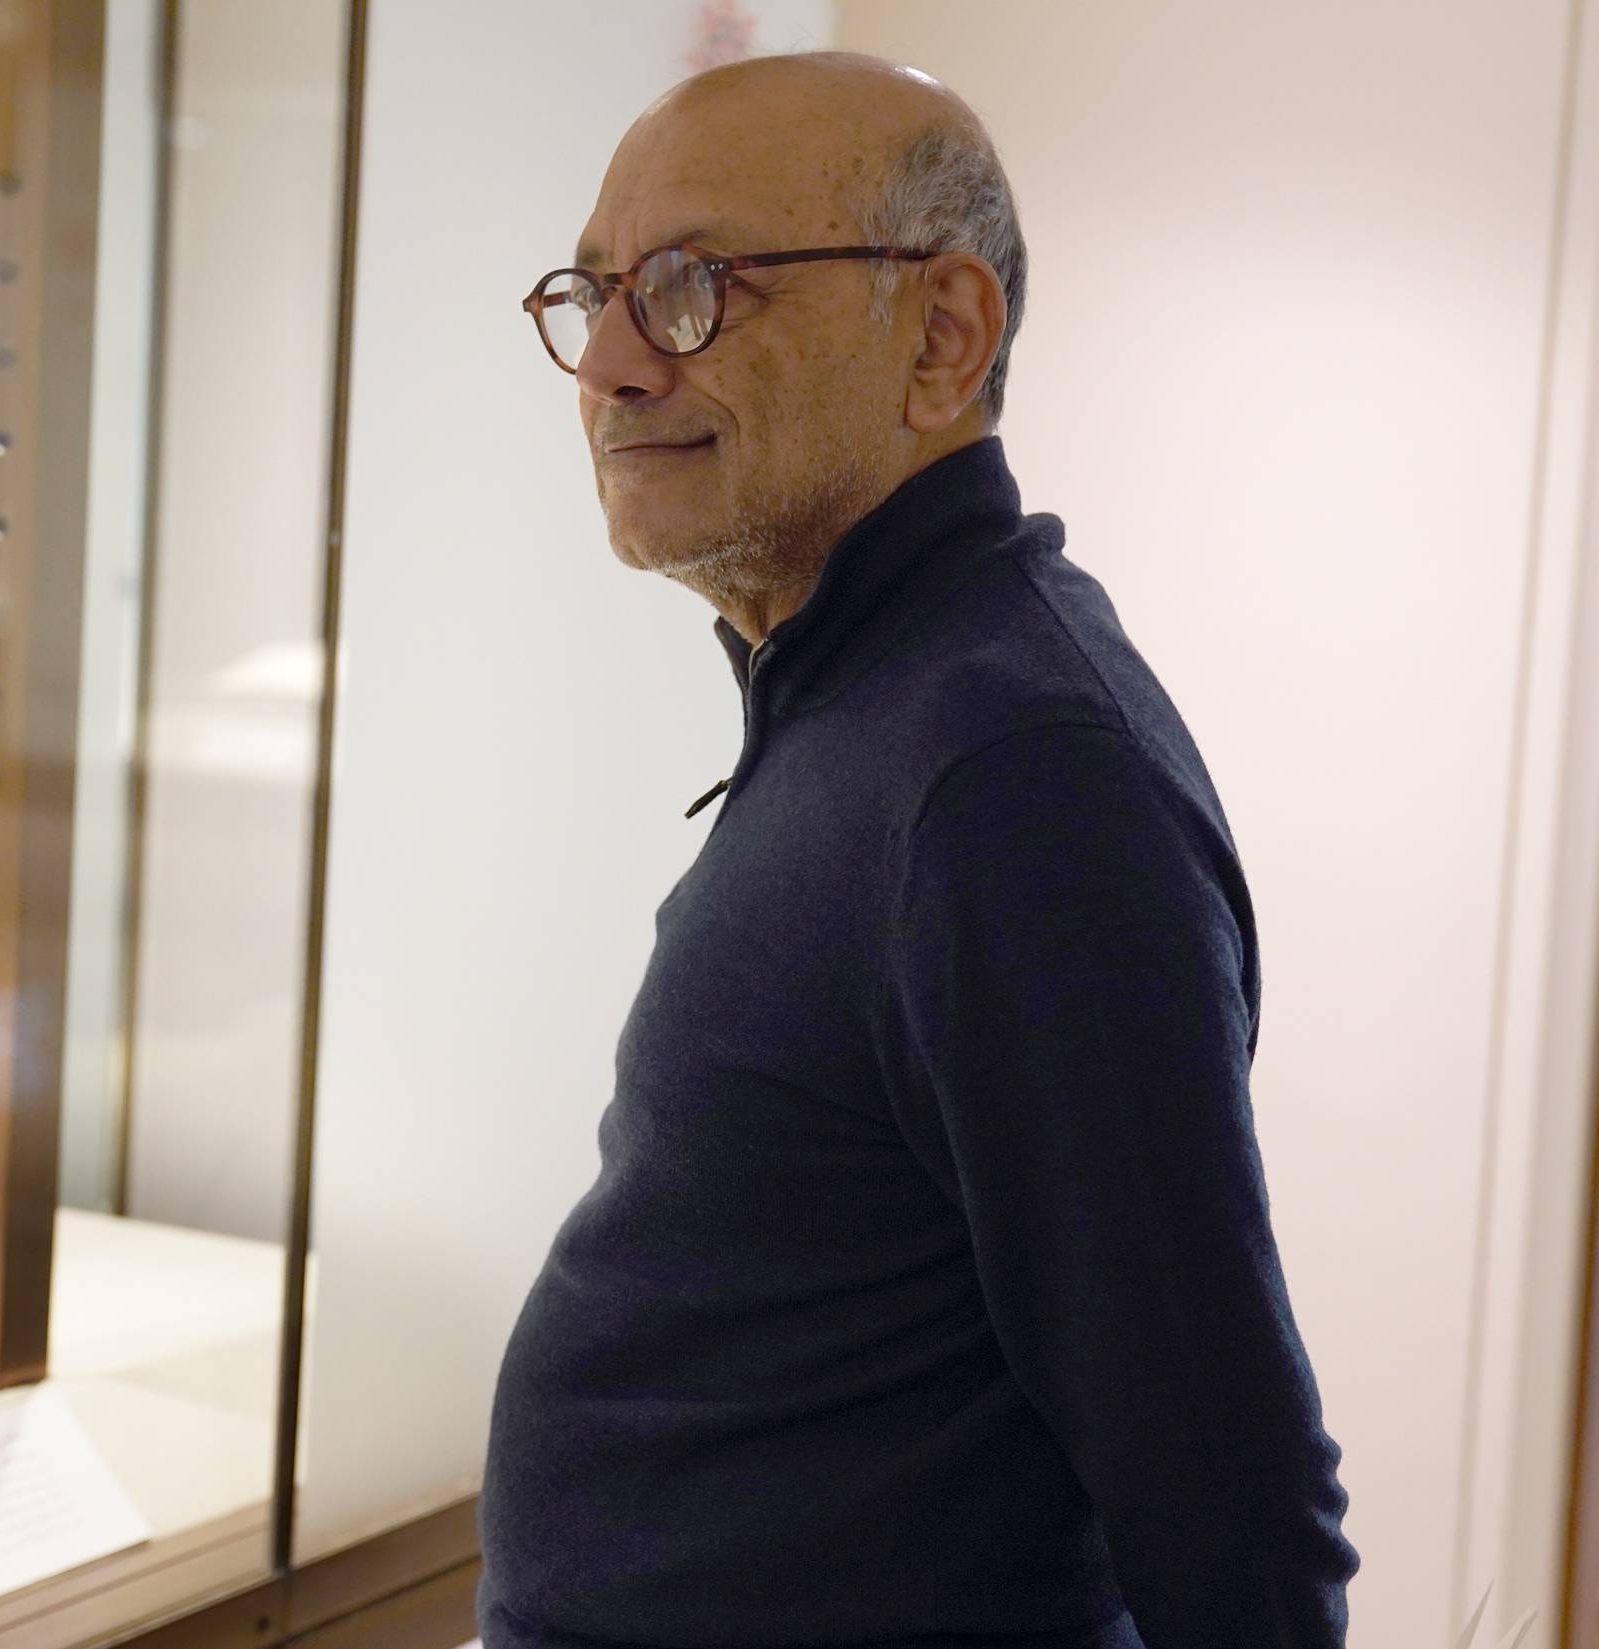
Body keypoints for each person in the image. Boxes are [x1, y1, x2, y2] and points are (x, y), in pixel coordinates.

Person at [477, 49, 1357, 1649]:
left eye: (690, 289)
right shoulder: (876, 700)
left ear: (941, 337)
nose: (605, 362)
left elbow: (1225, 1487)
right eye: (595, 292)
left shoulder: (1018, 781)